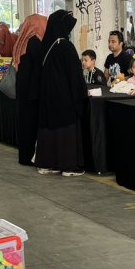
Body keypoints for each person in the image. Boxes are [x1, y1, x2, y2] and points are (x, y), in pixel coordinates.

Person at [32, 10, 84, 176]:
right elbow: (75, 76)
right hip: (64, 97)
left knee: (48, 129)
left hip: (47, 97)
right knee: (66, 130)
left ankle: (48, 164)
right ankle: (68, 166)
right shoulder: (66, 46)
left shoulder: (45, 45)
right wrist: (80, 96)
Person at [14, 14, 50, 166]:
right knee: (31, 125)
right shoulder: (36, 42)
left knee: (24, 124)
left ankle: (24, 156)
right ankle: (30, 157)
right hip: (32, 91)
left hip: (23, 89)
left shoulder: (24, 41)